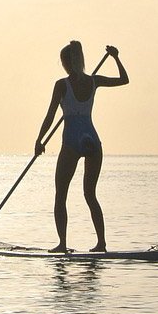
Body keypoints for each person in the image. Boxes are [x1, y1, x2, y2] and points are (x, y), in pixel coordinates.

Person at [34, 41, 128, 252]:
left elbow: (50, 115)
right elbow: (124, 79)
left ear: (67, 63)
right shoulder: (94, 80)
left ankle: (63, 244)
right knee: (90, 194)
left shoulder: (61, 84)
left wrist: (39, 140)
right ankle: (101, 243)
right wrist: (115, 57)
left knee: (60, 195)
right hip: (92, 139)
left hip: (72, 140)